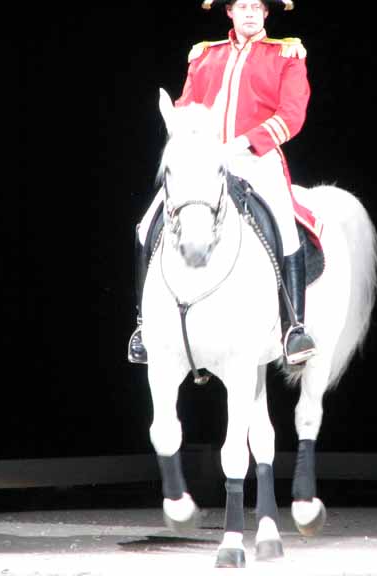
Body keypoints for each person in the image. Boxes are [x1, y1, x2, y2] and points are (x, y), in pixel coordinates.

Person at [128, 0, 318, 368]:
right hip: (206, 160)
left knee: (284, 224)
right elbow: (187, 103)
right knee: (146, 224)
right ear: (229, 12)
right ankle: (143, 326)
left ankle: (294, 327)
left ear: (266, 13)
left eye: (256, 7)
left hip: (257, 160)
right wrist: (182, 126)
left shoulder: (286, 54)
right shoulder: (204, 57)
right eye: (242, 6)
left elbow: (292, 115)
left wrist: (246, 142)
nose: (249, 13)